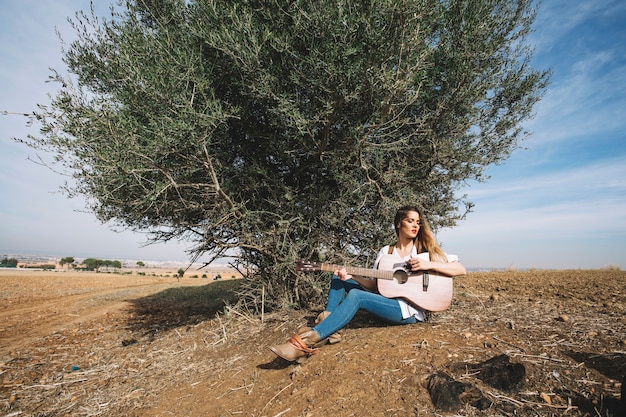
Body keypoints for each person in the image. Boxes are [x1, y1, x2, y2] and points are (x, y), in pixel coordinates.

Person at [269, 205, 467, 361]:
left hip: (409, 311)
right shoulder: (386, 253)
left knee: (356, 296)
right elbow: (375, 286)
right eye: (410, 221)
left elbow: (460, 269)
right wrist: (352, 277)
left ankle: (307, 341)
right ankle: (331, 325)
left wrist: (427, 264)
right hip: (386, 303)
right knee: (338, 276)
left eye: (418, 222)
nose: (415, 225)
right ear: (399, 224)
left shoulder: (424, 250)